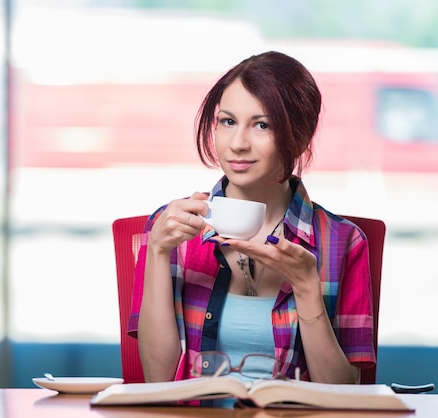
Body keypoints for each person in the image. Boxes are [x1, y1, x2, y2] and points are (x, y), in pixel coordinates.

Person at [127, 51, 375, 390]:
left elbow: (347, 393)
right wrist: (156, 250)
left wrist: (306, 288)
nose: (238, 144)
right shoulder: (171, 228)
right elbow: (157, 379)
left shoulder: (342, 242)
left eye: (262, 125)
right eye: (228, 122)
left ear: (300, 136)